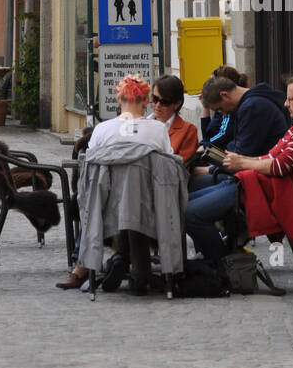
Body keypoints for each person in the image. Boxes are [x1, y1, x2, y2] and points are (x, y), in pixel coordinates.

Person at [185, 72, 293, 265]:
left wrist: (242, 162)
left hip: (267, 192)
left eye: (290, 99)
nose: (286, 103)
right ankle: (221, 259)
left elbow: (279, 166)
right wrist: (243, 161)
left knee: (189, 212)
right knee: (185, 203)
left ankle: (224, 266)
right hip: (257, 184)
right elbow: (271, 157)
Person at [57, 75, 174, 292]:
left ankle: (114, 260)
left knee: (112, 200)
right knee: (133, 202)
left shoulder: (102, 130)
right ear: (146, 101)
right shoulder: (158, 130)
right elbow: (169, 166)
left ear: (118, 100)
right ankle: (141, 273)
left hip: (106, 208)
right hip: (149, 207)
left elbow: (90, 171)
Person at [199, 65, 249, 151]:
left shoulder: (231, 108)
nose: (223, 113)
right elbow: (208, 133)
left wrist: (205, 146)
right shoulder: (223, 107)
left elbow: (226, 134)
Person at [151, 74, 198, 165]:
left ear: (177, 104)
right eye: (155, 99)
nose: (157, 105)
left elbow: (181, 168)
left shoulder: (188, 130)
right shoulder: (142, 124)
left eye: (164, 102)